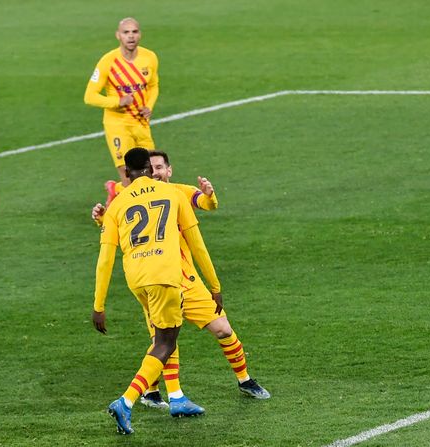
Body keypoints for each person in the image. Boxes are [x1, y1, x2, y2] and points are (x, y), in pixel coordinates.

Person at [92, 150, 270, 406]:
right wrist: (101, 220)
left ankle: (244, 379)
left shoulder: (177, 192)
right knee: (163, 341)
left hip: (186, 279)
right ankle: (164, 395)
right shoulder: (132, 199)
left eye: (160, 167)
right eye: (152, 168)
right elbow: (126, 230)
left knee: (221, 329)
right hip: (161, 276)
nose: (156, 172)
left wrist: (209, 195)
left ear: (169, 170)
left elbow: (205, 203)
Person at [93, 148, 221, 434]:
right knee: (165, 342)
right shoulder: (172, 194)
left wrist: (98, 305)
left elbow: (105, 259)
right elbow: (196, 244)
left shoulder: (117, 203)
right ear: (150, 169)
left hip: (136, 279)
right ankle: (126, 401)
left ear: (126, 173)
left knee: (161, 337)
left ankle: (176, 397)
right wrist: (214, 286)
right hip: (165, 276)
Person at [84, 17, 159, 204]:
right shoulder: (108, 62)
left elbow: (154, 86)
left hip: (141, 123)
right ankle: (129, 215)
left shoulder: (149, 57)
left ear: (140, 34)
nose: (131, 36)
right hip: (117, 123)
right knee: (128, 175)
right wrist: (118, 101)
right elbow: (90, 96)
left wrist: (149, 106)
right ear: (118, 36)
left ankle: (114, 190)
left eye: (134, 32)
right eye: (126, 32)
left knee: (152, 171)